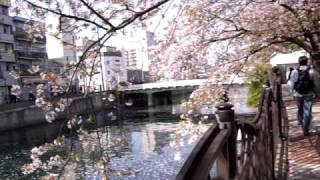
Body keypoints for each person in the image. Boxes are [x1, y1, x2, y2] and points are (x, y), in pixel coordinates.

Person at [288, 56, 317, 136]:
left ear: (299, 62)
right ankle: (305, 129)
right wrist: (317, 93)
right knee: (307, 111)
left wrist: (292, 92)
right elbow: (317, 83)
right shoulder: (312, 71)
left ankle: (300, 122)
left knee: (300, 108)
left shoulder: (294, 71)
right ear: (307, 61)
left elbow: (291, 83)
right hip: (309, 93)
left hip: (298, 94)